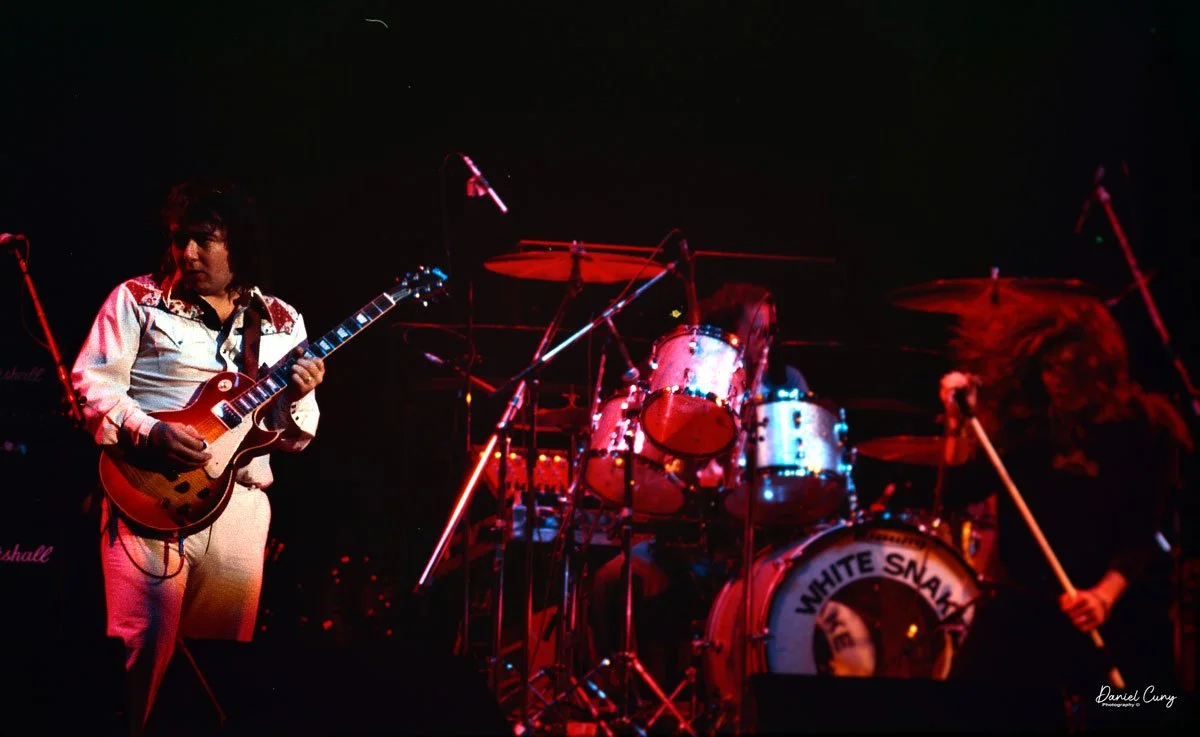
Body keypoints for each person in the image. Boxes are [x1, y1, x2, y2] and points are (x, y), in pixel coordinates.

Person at [71, 180, 325, 735]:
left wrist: (300, 396)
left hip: (241, 508)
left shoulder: (283, 321)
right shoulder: (136, 298)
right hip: (149, 497)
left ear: (239, 245)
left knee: (217, 673)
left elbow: (293, 437)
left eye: (203, 240)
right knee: (140, 658)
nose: (186, 254)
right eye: (179, 240)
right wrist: (149, 431)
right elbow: (91, 385)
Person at [938, 298, 1191, 707]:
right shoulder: (1028, 424)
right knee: (964, 708)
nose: (1058, 381)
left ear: (1099, 370)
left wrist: (1103, 597)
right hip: (1020, 605)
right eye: (1052, 369)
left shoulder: (1144, 428)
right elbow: (960, 489)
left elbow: (1140, 531)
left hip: (1106, 608)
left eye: (1072, 371)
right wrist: (958, 422)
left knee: (1136, 704)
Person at [587, 282, 810, 698]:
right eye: (759, 330)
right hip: (688, 539)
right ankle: (632, 702)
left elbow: (796, 470)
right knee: (609, 580)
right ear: (734, 333)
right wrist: (689, 471)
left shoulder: (786, 381)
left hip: (759, 541)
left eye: (772, 331)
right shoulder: (696, 386)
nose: (767, 342)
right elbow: (663, 468)